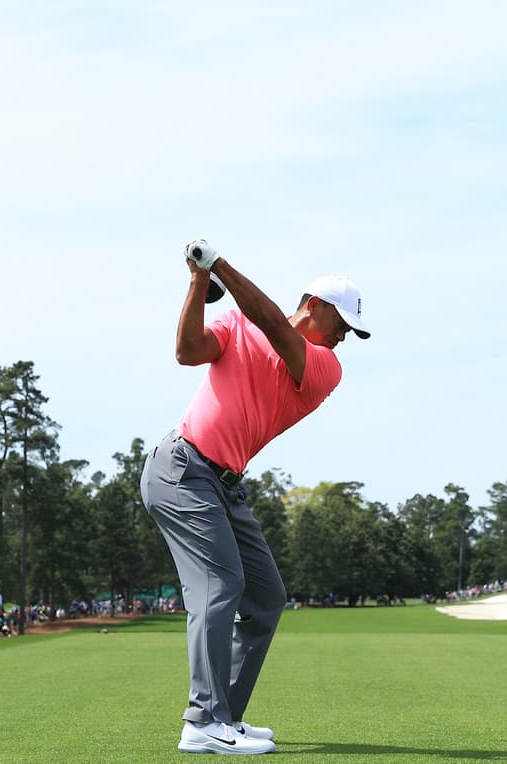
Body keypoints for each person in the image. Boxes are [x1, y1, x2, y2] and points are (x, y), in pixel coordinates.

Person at [141, 239, 369, 755]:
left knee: (265, 597)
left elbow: (272, 326)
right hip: (182, 469)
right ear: (315, 305)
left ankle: (226, 717)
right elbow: (187, 351)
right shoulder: (239, 325)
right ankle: (203, 720)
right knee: (221, 582)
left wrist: (217, 264)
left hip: (223, 484)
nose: (344, 338)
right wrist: (200, 282)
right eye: (342, 325)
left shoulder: (322, 366)